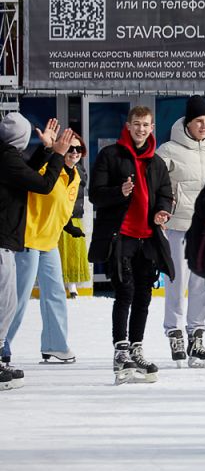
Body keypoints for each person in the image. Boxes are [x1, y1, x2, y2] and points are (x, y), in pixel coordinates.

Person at [88, 106, 174, 384]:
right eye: (136, 124)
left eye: (146, 125)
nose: (141, 129)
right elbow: (95, 196)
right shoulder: (110, 155)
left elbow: (165, 193)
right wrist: (119, 192)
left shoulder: (157, 161)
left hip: (147, 237)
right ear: (128, 126)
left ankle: (136, 347)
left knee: (144, 295)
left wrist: (162, 211)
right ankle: (120, 349)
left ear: (152, 128)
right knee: (125, 291)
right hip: (121, 235)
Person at [0, 114, 74, 390]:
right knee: (6, 302)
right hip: (6, 240)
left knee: (8, 301)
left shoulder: (8, 157)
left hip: (9, 240)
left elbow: (27, 172)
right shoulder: (7, 159)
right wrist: (57, 155)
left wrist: (47, 151)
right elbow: (42, 185)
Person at [157, 96, 205, 368]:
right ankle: (174, 331)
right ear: (188, 123)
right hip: (177, 226)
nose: (203, 125)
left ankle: (197, 334)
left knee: (201, 283)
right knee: (176, 281)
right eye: (199, 121)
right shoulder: (168, 150)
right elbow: (156, 184)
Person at [57, 136, 90, 298]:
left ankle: (72, 285)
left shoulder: (81, 170)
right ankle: (59, 284)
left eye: (79, 149)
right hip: (58, 218)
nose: (75, 153)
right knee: (60, 252)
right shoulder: (56, 169)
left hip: (75, 215)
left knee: (75, 252)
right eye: (70, 149)